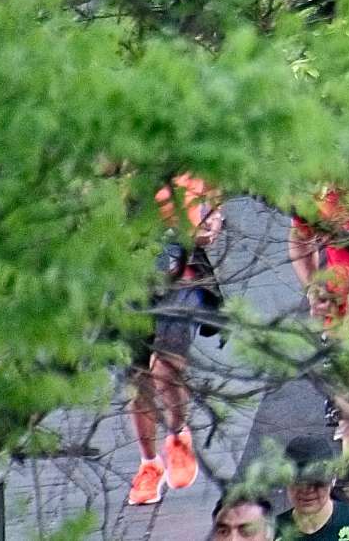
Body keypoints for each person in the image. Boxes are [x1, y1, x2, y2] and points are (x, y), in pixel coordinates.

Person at [127, 176, 219, 506]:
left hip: (181, 273)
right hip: (128, 276)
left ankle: (178, 434)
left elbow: (212, 199)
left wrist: (211, 217)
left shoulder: (186, 152)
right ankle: (149, 465)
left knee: (165, 366)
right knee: (139, 379)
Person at [276, 436, 349, 541]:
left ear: (333, 479)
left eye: (317, 482)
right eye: (299, 481)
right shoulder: (271, 532)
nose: (308, 490)